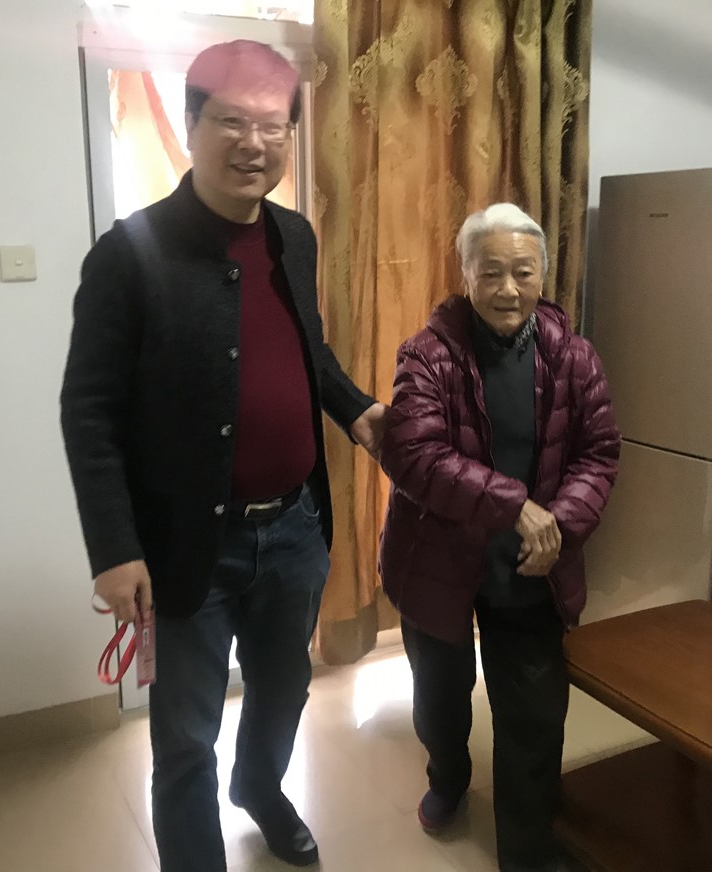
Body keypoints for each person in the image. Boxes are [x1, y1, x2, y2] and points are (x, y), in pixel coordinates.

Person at [60, 40, 386, 872]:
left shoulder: (293, 236)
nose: (254, 145)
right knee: (183, 738)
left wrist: (357, 410)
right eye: (232, 122)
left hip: (294, 530)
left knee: (283, 690)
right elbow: (88, 410)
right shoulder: (127, 255)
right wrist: (114, 549)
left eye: (273, 127)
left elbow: (306, 352)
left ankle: (260, 789)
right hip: (183, 548)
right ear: (191, 123)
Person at [378, 204, 620, 872]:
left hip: (530, 567)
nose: (508, 289)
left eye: (523, 271)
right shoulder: (428, 356)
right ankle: (448, 776)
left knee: (534, 715)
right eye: (491, 272)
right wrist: (517, 507)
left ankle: (527, 850)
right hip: (438, 565)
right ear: (465, 274)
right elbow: (414, 457)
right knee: (440, 699)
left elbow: (598, 454)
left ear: (543, 273)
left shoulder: (573, 357)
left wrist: (558, 523)